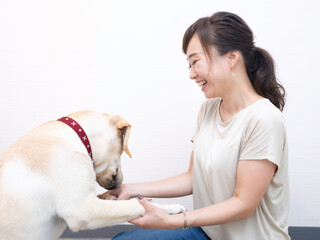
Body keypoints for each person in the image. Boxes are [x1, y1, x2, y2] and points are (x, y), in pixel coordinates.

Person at [99, 11, 290, 240]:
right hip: (209, 234)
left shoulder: (264, 119)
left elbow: (243, 204)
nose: (191, 74)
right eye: (189, 65)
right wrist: (130, 189)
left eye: (195, 62)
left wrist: (172, 221)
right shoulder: (208, 110)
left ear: (231, 57)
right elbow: (193, 177)